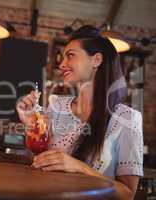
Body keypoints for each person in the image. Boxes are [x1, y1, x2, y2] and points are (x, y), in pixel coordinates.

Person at [17, 25, 143, 199]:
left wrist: (78, 167)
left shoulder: (127, 118)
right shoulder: (57, 106)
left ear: (96, 60)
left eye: (70, 55)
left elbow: (128, 194)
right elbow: (37, 162)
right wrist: (32, 126)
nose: (62, 64)